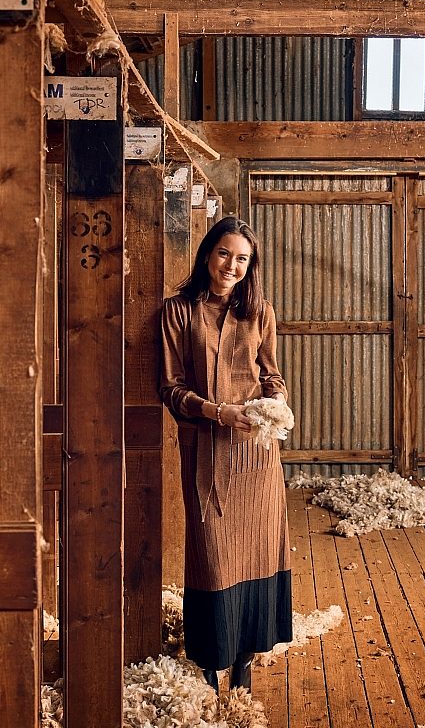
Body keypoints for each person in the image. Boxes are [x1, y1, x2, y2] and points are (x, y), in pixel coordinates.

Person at [159, 216, 293, 692]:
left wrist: (278, 402)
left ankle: (244, 660)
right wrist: (218, 412)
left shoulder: (260, 312)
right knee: (213, 556)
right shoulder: (177, 311)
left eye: (242, 259)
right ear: (206, 254)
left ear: (250, 266)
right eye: (223, 253)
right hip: (207, 453)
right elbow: (171, 388)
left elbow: (270, 374)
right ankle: (210, 664)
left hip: (257, 455)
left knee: (258, 552)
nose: (231, 266)